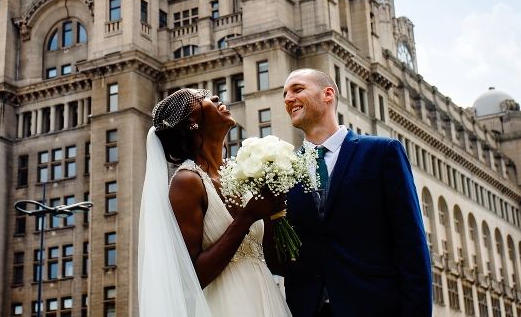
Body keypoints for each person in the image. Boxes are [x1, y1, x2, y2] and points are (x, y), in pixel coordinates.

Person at [282, 68, 432, 317]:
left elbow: (411, 245)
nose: (288, 99)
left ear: (328, 94)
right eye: (285, 94)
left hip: (375, 306)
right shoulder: (283, 169)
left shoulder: (382, 153)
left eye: (297, 89)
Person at [138, 88, 292, 317]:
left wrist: (274, 212)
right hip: (224, 305)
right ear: (191, 120)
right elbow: (192, 278)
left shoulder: (241, 174)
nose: (218, 98)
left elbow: (276, 263)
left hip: (267, 298)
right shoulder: (187, 181)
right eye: (204, 97)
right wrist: (247, 217)